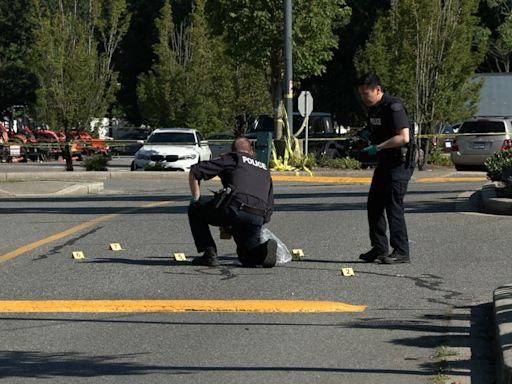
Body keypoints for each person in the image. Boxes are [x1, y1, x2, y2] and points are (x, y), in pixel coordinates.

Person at [187, 136, 277, 267]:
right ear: (251, 151)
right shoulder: (264, 168)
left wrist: (195, 199)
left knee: (195, 209)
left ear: (233, 150)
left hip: (235, 209)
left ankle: (209, 254)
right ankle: (262, 252)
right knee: (247, 257)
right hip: (258, 216)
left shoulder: (234, 158)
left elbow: (196, 171)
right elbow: (270, 201)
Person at [357, 73, 415, 264]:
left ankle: (401, 251)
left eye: (367, 94)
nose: (364, 98)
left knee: (393, 205)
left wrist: (378, 147)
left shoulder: (393, 107)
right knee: (374, 204)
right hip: (385, 163)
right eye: (361, 94)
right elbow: (373, 131)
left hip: (400, 163)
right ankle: (380, 248)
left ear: (378, 90)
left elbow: (404, 137)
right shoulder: (373, 109)